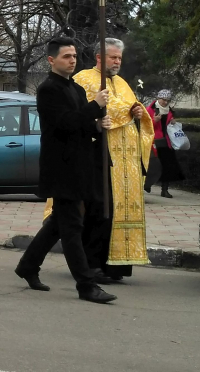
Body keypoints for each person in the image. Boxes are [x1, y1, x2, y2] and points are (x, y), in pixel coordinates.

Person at [15, 38, 116, 303]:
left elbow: (81, 125)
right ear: (51, 60)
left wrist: (96, 125)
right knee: (72, 227)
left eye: (73, 56)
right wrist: (94, 107)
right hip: (60, 167)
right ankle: (86, 285)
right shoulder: (48, 89)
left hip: (79, 165)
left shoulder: (76, 88)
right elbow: (64, 123)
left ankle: (28, 266)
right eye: (66, 56)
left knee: (58, 224)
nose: (72, 60)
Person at [73, 38, 152, 280]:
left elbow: (131, 108)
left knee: (118, 210)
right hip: (100, 153)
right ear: (99, 57)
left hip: (126, 159)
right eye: (113, 57)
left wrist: (139, 111)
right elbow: (85, 112)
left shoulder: (122, 83)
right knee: (99, 208)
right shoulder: (84, 79)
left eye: (119, 58)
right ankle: (91, 263)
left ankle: (115, 266)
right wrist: (127, 111)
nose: (117, 62)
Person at [146, 89, 183, 198]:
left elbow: (168, 125)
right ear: (158, 98)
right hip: (153, 141)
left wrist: (173, 122)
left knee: (168, 165)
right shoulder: (150, 110)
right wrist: (154, 121)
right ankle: (147, 184)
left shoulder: (170, 111)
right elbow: (144, 125)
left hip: (166, 141)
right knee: (152, 165)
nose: (165, 102)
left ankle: (165, 189)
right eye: (163, 100)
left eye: (167, 100)